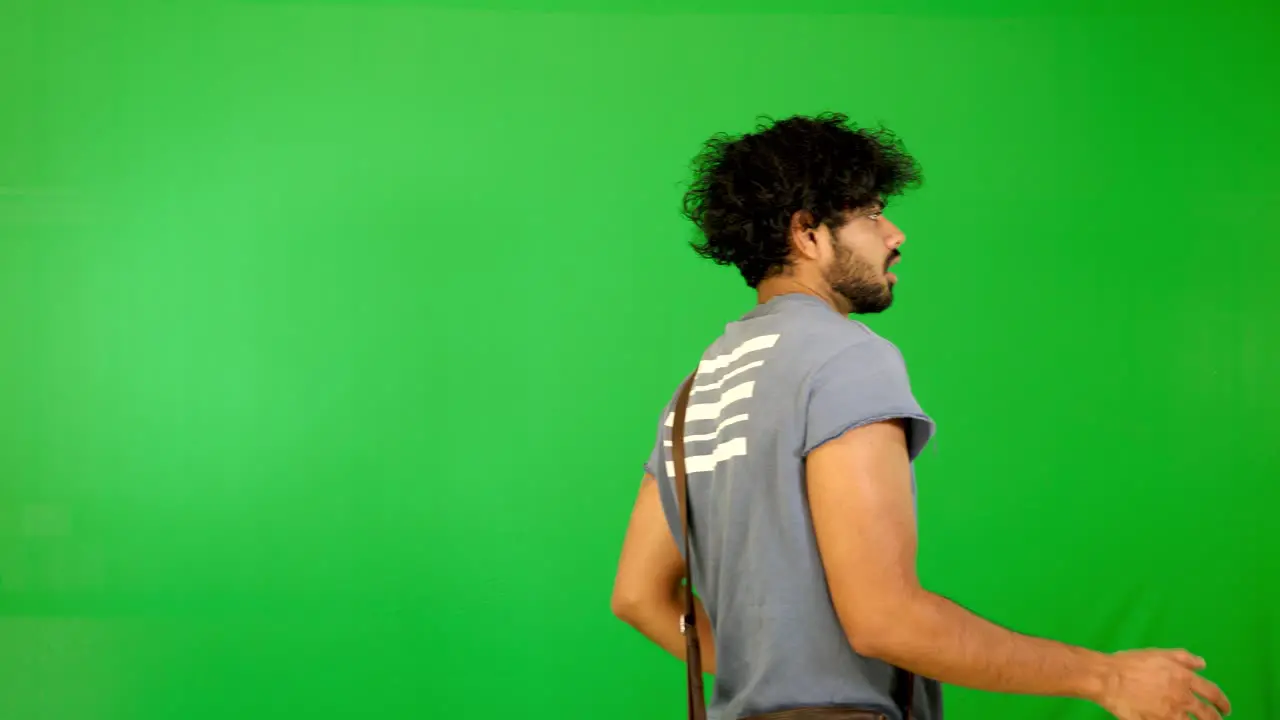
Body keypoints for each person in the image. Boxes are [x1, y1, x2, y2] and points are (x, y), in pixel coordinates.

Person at [609, 113, 1233, 720]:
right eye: (873, 214)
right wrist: (1109, 677)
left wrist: (769, 677)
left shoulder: (698, 388)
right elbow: (885, 618)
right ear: (808, 233)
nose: (895, 235)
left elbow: (638, 597)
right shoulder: (843, 356)